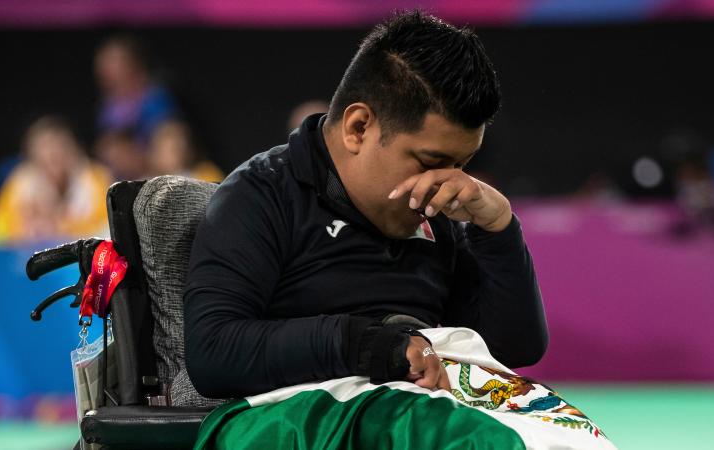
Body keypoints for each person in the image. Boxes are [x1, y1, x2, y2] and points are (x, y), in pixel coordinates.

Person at [184, 11, 547, 399]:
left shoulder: (436, 212)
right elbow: (213, 353)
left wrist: (498, 229)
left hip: (423, 413)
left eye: (461, 165)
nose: (446, 182)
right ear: (358, 128)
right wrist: (372, 346)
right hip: (310, 420)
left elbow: (513, 350)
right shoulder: (260, 196)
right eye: (430, 162)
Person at [0, 116, 111, 243]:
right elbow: (2, 230)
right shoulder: (19, 185)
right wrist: (25, 228)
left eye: (58, 154)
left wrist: (60, 227)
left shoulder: (95, 179)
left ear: (72, 151)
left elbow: (106, 228)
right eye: (46, 159)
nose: (53, 164)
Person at [94, 35, 177, 143]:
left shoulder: (157, 101)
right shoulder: (108, 107)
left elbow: (167, 142)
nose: (107, 72)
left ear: (134, 66)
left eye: (114, 63)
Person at [148, 120, 224, 182]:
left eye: (182, 146)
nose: (181, 152)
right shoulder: (146, 185)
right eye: (174, 149)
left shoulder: (207, 174)